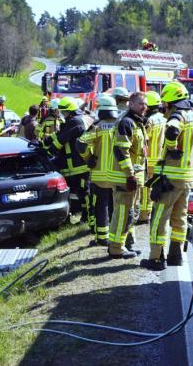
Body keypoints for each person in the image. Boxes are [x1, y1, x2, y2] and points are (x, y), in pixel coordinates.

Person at [141, 82, 193, 271]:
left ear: (170, 103)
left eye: (165, 105)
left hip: (170, 178)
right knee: (180, 216)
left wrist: (172, 147)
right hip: (187, 177)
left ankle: (156, 258)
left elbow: (172, 130)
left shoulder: (178, 115)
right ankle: (175, 256)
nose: (164, 109)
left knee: (159, 217)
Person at [107, 92, 148, 259]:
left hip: (133, 178)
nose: (144, 107)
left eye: (145, 104)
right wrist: (130, 175)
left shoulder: (137, 122)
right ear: (131, 104)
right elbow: (121, 151)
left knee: (130, 213)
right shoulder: (126, 122)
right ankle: (116, 248)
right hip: (125, 178)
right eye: (140, 104)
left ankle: (125, 244)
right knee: (123, 213)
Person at [44, 97, 92, 223]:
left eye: (64, 112)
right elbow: (61, 133)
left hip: (80, 164)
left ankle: (88, 217)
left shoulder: (75, 121)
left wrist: (50, 150)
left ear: (70, 111)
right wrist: (47, 140)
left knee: (84, 192)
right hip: (77, 164)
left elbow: (63, 138)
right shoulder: (74, 120)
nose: (63, 114)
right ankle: (83, 216)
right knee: (80, 193)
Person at [78, 95, 118, 246]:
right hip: (118, 174)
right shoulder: (121, 124)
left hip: (100, 175)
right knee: (116, 205)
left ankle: (102, 237)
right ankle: (116, 236)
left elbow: (81, 143)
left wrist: (88, 158)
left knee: (101, 204)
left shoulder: (97, 126)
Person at [138, 91, 166, 224]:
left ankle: (144, 215)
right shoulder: (164, 118)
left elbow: (144, 139)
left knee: (146, 189)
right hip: (161, 160)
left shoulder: (150, 120)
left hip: (150, 160)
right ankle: (152, 212)